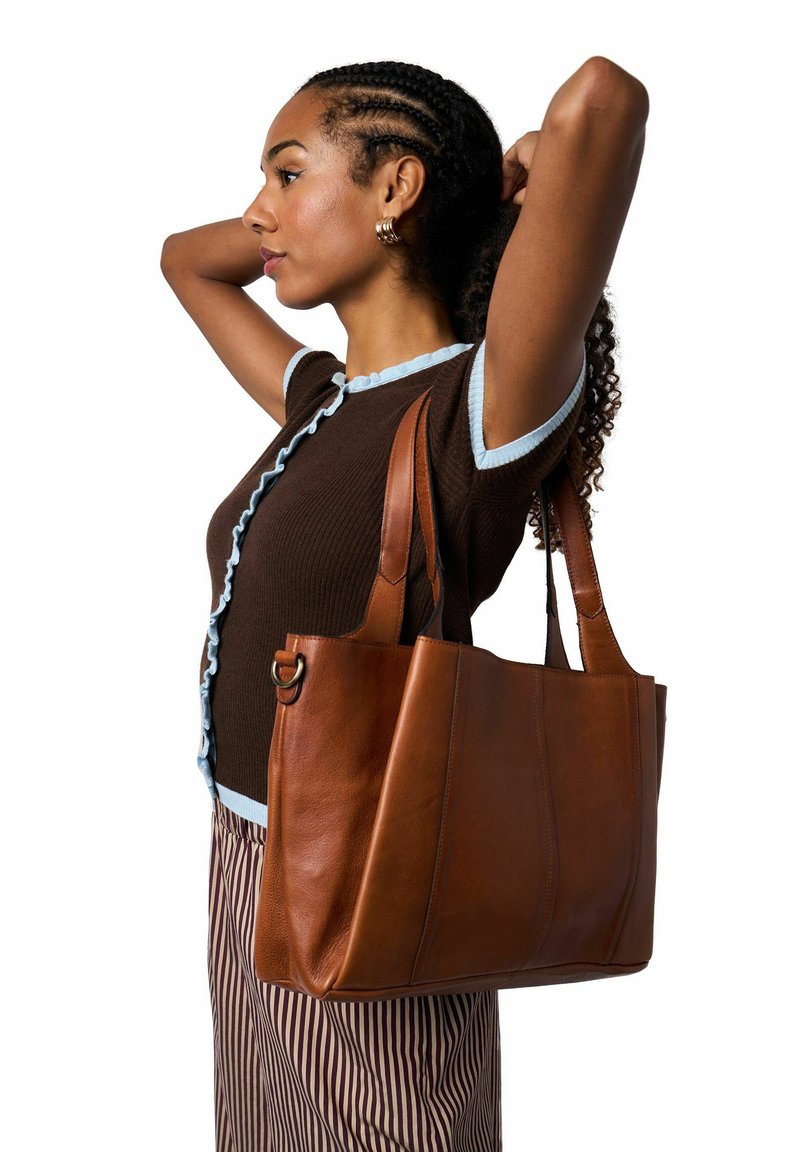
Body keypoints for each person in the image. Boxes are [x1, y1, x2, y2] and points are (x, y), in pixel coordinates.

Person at [161, 56, 648, 1152]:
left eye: (289, 174)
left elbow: (604, 101)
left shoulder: (477, 413)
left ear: (396, 187)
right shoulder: (323, 403)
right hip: (249, 857)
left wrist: (516, 179)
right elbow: (184, 260)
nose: (258, 212)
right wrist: (332, 213)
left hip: (375, 876)